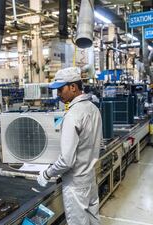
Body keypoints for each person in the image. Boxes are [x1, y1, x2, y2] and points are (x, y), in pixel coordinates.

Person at [37, 67, 102, 225]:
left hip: (75, 185)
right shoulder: (93, 108)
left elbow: (66, 160)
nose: (58, 94)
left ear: (73, 87)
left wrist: (47, 174)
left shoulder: (73, 115)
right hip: (90, 179)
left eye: (60, 89)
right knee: (94, 220)